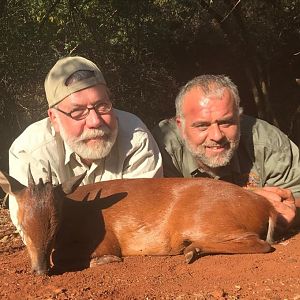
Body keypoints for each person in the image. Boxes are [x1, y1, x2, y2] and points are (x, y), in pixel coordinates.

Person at [9, 56, 163, 238]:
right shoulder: (31, 151)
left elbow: (143, 215)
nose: (95, 121)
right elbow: (36, 230)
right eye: (78, 112)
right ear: (54, 119)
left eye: (102, 106)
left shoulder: (135, 137)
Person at [152, 75, 300, 229]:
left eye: (226, 122)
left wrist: (289, 208)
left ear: (239, 118)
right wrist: (245, 201)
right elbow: (153, 211)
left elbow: (296, 193)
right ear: (180, 125)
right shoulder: (162, 149)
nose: (217, 136)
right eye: (202, 125)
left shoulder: (267, 141)